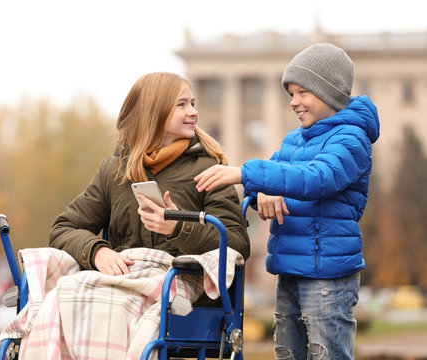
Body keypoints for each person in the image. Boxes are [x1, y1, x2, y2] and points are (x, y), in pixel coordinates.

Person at [195, 43, 380, 359]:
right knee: (287, 354)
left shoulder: (351, 138)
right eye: (291, 94)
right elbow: (268, 182)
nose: (293, 102)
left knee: (327, 354)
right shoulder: (294, 140)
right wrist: (262, 193)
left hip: (328, 276)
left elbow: (318, 178)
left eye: (302, 93)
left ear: (329, 93)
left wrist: (245, 173)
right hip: (289, 270)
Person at [50, 71, 250, 277]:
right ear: (154, 112)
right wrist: (97, 252)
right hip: (125, 282)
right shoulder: (114, 171)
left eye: (192, 103)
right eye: (181, 105)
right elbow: (63, 229)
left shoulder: (210, 170)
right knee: (59, 296)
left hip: (183, 288)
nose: (193, 112)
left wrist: (179, 229)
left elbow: (238, 244)